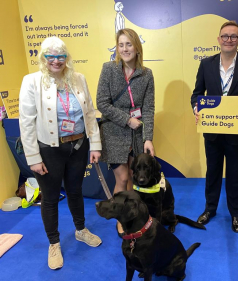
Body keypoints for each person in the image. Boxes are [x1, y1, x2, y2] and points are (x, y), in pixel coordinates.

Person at [19, 37, 102, 270]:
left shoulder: (78, 78)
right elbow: (26, 123)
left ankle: (81, 229)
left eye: (61, 56)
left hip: (78, 146)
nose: (56, 61)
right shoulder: (32, 81)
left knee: (76, 191)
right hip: (49, 149)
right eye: (51, 56)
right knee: (51, 197)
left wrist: (94, 144)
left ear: (67, 57)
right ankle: (53, 243)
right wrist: (33, 159)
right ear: (43, 58)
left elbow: (89, 114)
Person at [191, 21, 238, 233]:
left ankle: (235, 213)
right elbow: (197, 94)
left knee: (235, 174)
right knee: (212, 172)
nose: (229, 39)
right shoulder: (206, 64)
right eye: (225, 36)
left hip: (237, 132)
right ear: (218, 39)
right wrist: (196, 108)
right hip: (213, 131)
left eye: (234, 36)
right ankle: (210, 209)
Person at [96, 28, 155, 237]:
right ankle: (120, 218)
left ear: (137, 47)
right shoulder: (109, 69)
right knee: (121, 178)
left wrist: (148, 138)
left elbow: (148, 108)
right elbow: (102, 103)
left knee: (132, 175)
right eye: (121, 45)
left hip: (137, 133)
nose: (124, 49)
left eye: (128, 44)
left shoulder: (146, 74)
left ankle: (131, 215)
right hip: (114, 131)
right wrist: (126, 119)